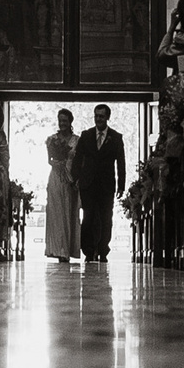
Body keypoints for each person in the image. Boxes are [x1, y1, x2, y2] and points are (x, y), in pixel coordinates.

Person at [72, 104, 125, 262]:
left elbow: (121, 162)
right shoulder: (86, 135)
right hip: (88, 184)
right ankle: (88, 251)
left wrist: (121, 185)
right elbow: (78, 158)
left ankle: (103, 250)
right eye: (96, 116)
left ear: (107, 117)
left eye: (101, 116)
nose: (98, 119)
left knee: (106, 218)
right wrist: (75, 178)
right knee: (88, 217)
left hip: (106, 185)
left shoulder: (116, 137)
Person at [43, 109, 80, 262]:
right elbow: (49, 160)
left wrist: (76, 179)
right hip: (56, 178)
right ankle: (58, 249)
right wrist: (56, 163)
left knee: (69, 211)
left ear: (70, 122)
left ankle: (68, 249)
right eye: (60, 120)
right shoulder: (52, 139)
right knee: (56, 212)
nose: (62, 123)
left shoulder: (77, 140)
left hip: (70, 179)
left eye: (65, 120)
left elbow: (79, 161)